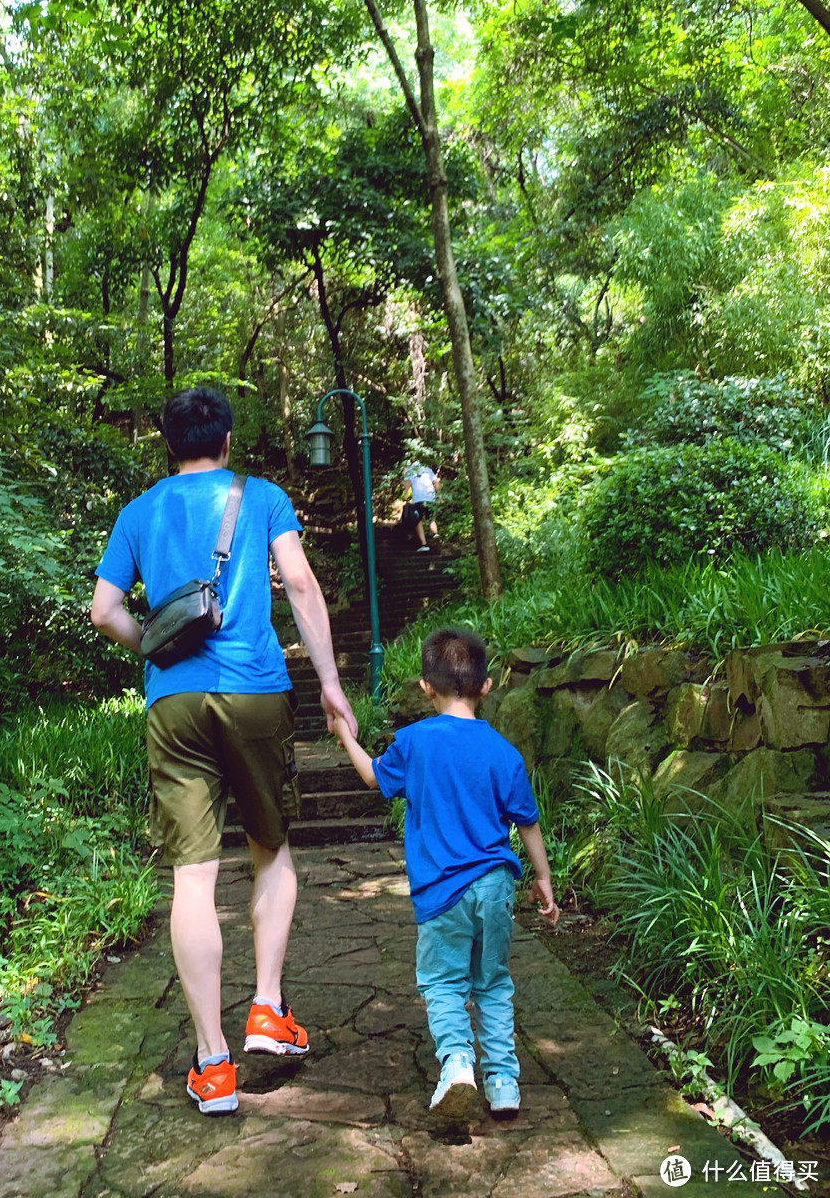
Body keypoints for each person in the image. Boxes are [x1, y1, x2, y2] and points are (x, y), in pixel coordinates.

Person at [90, 387, 357, 1117]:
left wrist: (154, 649)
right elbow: (299, 584)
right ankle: (267, 1010)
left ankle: (212, 1064)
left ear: (168, 443)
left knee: (192, 875)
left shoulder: (139, 511)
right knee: (271, 847)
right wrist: (331, 686)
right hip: (256, 692)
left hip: (172, 703)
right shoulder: (262, 496)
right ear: (228, 442)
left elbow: (104, 610)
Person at [332, 626, 559, 1121]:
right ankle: (503, 1083)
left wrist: (346, 736)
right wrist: (542, 878)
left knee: (442, 983)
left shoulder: (414, 743)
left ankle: (457, 1062)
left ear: (425, 686)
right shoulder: (505, 752)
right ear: (487, 686)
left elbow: (374, 776)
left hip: (441, 893)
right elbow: (528, 822)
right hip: (496, 884)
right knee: (493, 982)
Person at [403, 459, 440, 552]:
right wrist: (439, 494)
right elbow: (436, 482)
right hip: (430, 497)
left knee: (418, 521)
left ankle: (424, 544)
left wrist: (405, 494)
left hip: (418, 498)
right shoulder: (427, 469)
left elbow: (408, 483)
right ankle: (435, 534)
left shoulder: (410, 471)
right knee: (431, 518)